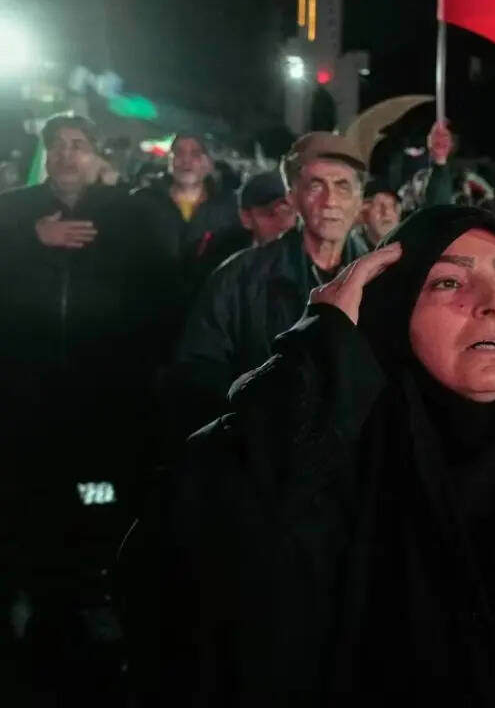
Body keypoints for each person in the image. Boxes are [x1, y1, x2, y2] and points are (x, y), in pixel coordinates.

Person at [124, 205, 495, 705]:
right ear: (394, 306)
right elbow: (180, 549)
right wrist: (320, 355)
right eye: (447, 282)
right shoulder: (337, 461)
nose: (493, 304)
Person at [0, 114, 171, 705]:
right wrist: (30, 239)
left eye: (78, 145)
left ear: (97, 155)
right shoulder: (14, 212)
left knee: (100, 495)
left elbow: (160, 295)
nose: (67, 154)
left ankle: (99, 594)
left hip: (105, 398)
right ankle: (35, 601)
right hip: (28, 395)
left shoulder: (130, 215)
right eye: (57, 145)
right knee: (32, 500)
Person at [169, 132, 370, 437]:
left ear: (359, 199)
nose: (330, 201)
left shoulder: (382, 280)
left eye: (343, 186)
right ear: (293, 197)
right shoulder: (239, 277)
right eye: (316, 186)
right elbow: (198, 373)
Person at [131, 133, 240, 288]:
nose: (186, 160)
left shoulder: (228, 207)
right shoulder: (144, 201)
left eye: (195, 154)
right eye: (179, 153)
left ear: (209, 163)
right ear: (170, 160)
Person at [196, 171, 297, 278]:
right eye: (270, 215)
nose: (283, 224)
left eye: (288, 213)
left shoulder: (305, 261)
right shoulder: (224, 265)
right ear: (246, 218)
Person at [349, 177, 403, 253]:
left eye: (391, 205)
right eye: (379, 206)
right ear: (363, 213)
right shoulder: (352, 250)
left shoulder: (411, 247)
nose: (386, 212)